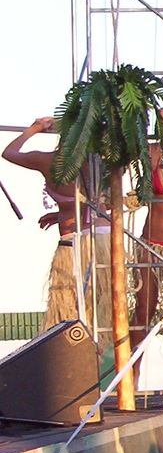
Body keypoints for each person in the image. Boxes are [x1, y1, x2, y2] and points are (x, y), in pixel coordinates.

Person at [3, 116, 111, 337]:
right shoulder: (97, 161)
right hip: (98, 235)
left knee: (69, 301)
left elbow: (9, 153)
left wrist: (34, 128)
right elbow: (105, 203)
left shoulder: (47, 160)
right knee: (94, 301)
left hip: (79, 240)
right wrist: (63, 211)